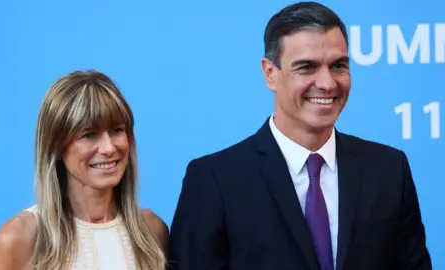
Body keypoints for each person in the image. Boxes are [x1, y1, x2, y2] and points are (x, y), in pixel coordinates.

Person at [168, 2, 432, 270]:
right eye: (307, 67)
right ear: (270, 73)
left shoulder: (388, 169)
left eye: (338, 65)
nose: (327, 83)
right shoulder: (214, 180)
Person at [0, 70, 168, 269]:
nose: (109, 148)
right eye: (89, 134)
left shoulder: (152, 231)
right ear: (56, 147)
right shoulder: (18, 238)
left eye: (117, 130)